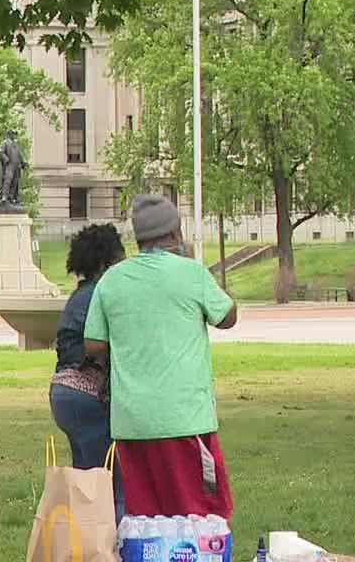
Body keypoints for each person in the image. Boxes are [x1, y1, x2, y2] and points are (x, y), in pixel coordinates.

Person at [83, 194, 239, 520]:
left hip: (132, 421)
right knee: (202, 517)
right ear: (174, 235)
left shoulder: (112, 279)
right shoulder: (192, 274)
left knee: (147, 520)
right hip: (185, 417)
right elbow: (227, 317)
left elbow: (93, 344)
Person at [50, 222, 128, 515]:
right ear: (107, 260)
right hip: (89, 395)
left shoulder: (81, 294)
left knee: (86, 482)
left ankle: (84, 547)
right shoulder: (101, 293)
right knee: (112, 485)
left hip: (66, 394)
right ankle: (111, 553)